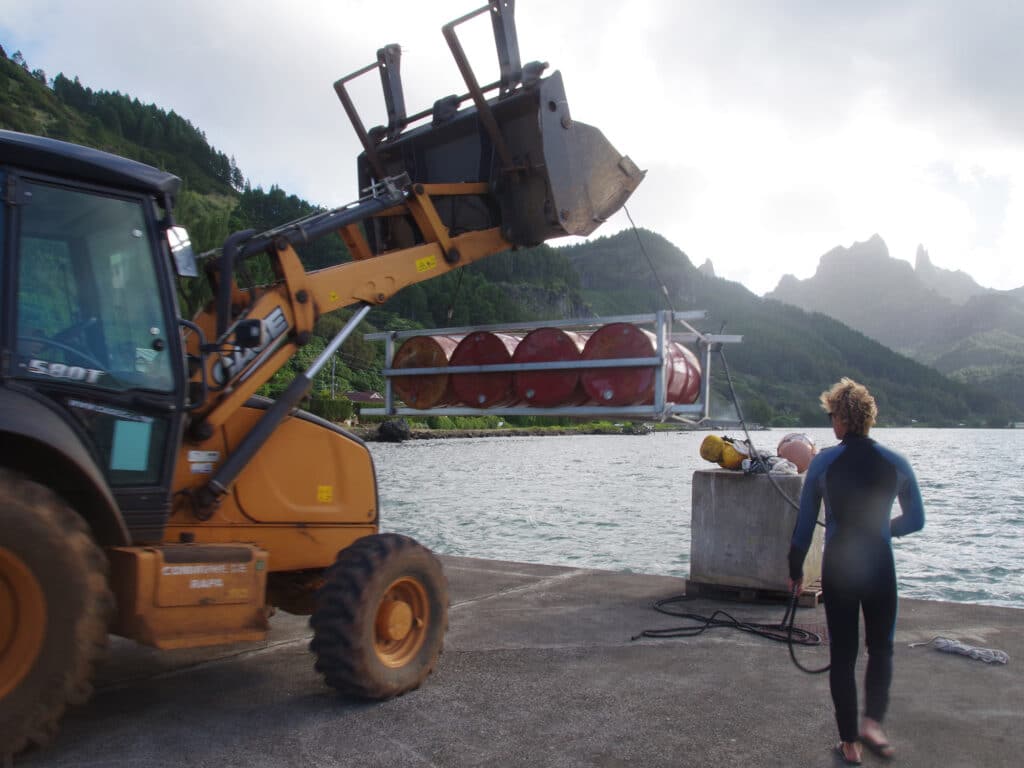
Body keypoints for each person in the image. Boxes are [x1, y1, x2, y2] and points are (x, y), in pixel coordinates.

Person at [788, 378, 925, 765]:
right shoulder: (897, 462)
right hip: (880, 564)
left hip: (840, 567)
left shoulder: (824, 462)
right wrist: (884, 530)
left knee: (844, 655)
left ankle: (850, 744)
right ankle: (873, 726)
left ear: (841, 420)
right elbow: (915, 520)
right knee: (881, 649)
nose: (832, 423)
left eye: (832, 416)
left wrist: (795, 569)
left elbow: (803, 526)